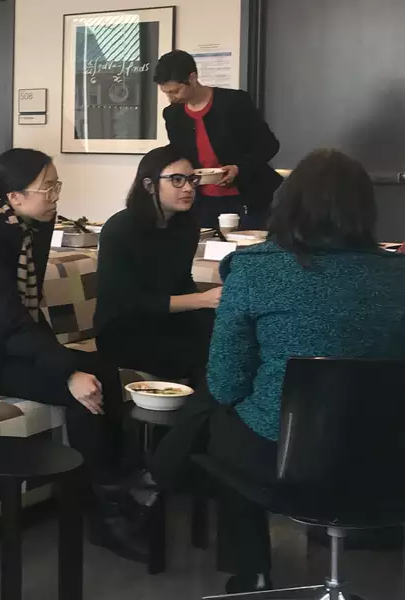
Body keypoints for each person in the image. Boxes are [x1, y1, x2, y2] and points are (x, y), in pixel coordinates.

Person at [138, 149, 405, 594]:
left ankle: (250, 569)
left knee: (223, 414)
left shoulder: (255, 270)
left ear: (289, 203)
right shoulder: (397, 276)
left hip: (279, 461)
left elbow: (225, 383)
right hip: (385, 459)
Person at [0, 148, 145, 562]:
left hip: (1, 342)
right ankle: (101, 514)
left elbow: (27, 310)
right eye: (48, 188)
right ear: (14, 197)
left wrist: (64, 363)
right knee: (82, 393)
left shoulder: (23, 228)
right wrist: (65, 373)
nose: (56, 196)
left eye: (56, 185)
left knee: (101, 371)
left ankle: (116, 491)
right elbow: (9, 321)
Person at [95, 145, 221, 384]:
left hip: (169, 322)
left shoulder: (187, 226)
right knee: (205, 356)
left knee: (233, 339)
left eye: (191, 180)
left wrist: (208, 307)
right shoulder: (120, 229)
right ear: (149, 185)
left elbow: (181, 280)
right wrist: (201, 300)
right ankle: (195, 420)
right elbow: (126, 301)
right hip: (125, 331)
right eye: (176, 180)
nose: (188, 188)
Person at [154, 50, 283, 229]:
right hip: (201, 201)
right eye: (166, 92)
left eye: (175, 91)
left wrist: (239, 168)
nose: (171, 98)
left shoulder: (234, 102)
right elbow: (179, 154)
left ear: (192, 78)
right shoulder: (173, 114)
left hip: (249, 196)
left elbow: (269, 145)